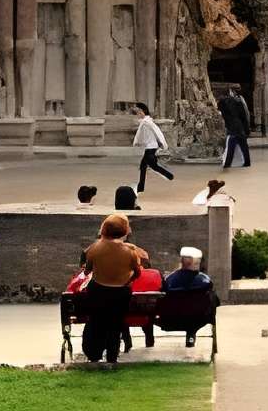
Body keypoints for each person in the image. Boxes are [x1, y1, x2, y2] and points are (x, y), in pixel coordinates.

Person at [80, 214, 142, 363]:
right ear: (124, 231)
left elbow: (87, 271)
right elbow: (137, 273)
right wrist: (127, 281)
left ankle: (94, 354)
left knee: (96, 322)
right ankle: (112, 357)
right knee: (115, 325)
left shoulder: (94, 248)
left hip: (98, 291)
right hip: (120, 293)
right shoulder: (131, 251)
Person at [163, 246, 214, 348]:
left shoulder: (169, 279)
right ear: (196, 262)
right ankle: (190, 336)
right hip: (198, 318)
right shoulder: (205, 280)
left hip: (172, 317)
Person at [122, 249, 163, 352]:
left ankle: (127, 342)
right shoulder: (155, 274)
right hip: (149, 314)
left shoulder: (123, 275)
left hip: (126, 314)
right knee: (149, 306)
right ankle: (149, 341)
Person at [132, 102, 173, 193]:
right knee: (144, 166)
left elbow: (156, 132)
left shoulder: (147, 123)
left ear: (142, 112)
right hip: (150, 147)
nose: (138, 114)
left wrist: (162, 143)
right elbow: (144, 135)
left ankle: (169, 176)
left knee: (152, 166)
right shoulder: (145, 122)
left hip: (151, 147)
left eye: (138, 112)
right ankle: (140, 187)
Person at [218, 88, 251, 169]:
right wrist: (246, 130)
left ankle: (227, 166)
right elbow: (244, 116)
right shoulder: (239, 101)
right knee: (244, 148)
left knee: (230, 149)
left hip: (233, 129)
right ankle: (247, 164)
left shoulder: (225, 102)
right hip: (240, 128)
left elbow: (221, 106)